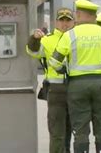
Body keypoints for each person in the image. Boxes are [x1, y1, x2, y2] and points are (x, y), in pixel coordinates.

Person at [49, 0, 101, 153]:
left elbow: (54, 62)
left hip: (77, 86)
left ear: (79, 15)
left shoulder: (70, 35)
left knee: (80, 131)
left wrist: (64, 70)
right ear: (94, 16)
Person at [26, 8, 74, 153]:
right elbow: (32, 51)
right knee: (57, 133)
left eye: (68, 20)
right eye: (62, 20)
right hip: (56, 91)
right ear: (56, 22)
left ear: (73, 22)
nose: (64, 24)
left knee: (70, 131)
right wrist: (34, 38)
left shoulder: (77, 38)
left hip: (75, 90)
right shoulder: (47, 39)